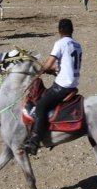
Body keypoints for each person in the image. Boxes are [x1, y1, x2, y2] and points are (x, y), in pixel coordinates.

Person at [23, 18, 83, 156]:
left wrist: (43, 69)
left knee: (40, 106)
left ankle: (34, 141)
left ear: (59, 31)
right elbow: (66, 65)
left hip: (62, 86)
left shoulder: (60, 43)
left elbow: (48, 64)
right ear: (72, 30)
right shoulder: (78, 45)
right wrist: (53, 70)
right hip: (72, 83)